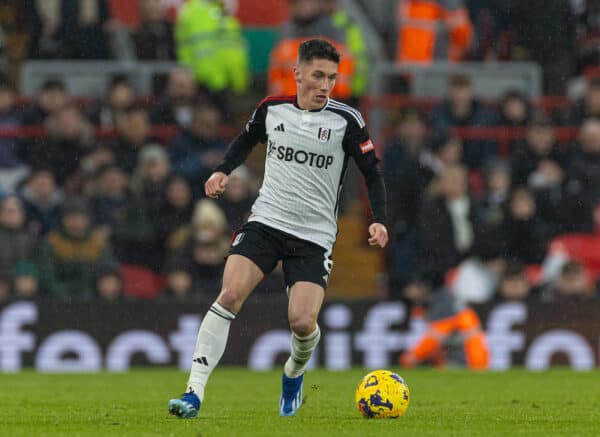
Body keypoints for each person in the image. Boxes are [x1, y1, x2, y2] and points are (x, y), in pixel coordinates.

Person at [168, 39, 388, 419]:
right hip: (267, 222)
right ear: (298, 74)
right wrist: (223, 170)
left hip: (313, 237)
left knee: (302, 323)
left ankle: (293, 373)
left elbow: (372, 172)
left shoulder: (346, 121)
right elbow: (246, 140)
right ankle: (193, 393)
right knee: (230, 294)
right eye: (318, 76)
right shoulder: (272, 110)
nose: (325, 85)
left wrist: (379, 219)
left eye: (332, 78)